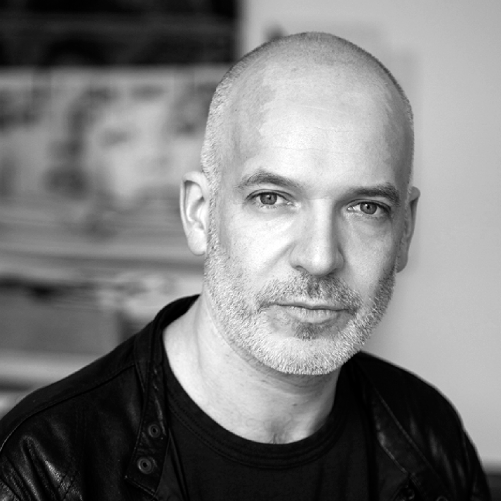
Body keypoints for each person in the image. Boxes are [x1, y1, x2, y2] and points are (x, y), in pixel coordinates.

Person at [0, 32, 491, 500]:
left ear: (405, 231)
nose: (319, 258)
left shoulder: (428, 435)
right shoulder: (40, 465)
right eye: (272, 198)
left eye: (366, 208)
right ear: (200, 214)